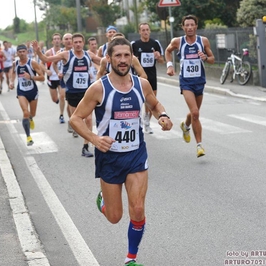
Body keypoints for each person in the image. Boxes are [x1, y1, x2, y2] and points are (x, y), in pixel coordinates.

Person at [69, 37, 173, 266]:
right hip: (109, 158)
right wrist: (94, 139)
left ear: (132, 58)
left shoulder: (141, 84)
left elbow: (155, 105)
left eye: (127, 55)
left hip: (136, 154)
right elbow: (75, 119)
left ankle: (130, 259)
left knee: (137, 208)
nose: (123, 60)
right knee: (115, 217)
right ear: (109, 58)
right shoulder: (98, 88)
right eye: (118, 56)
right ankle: (103, 202)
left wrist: (163, 116)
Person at [34, 33, 101, 157]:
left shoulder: (89, 55)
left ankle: (86, 146)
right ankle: (74, 126)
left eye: (80, 42)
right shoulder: (65, 55)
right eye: (75, 42)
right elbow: (47, 60)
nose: (78, 44)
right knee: (76, 120)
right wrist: (38, 53)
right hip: (72, 92)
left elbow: (103, 62)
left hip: (86, 92)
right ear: (72, 43)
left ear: (83, 42)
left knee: (89, 119)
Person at [165, 14, 215, 158]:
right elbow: (168, 51)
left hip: (199, 81)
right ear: (183, 27)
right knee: (195, 113)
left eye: (192, 25)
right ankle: (199, 146)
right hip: (186, 82)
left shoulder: (203, 41)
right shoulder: (178, 41)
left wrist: (205, 58)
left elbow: (212, 59)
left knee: (194, 113)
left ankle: (185, 126)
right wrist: (169, 66)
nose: (189, 27)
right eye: (186, 25)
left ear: (196, 26)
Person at [131, 23, 165, 134]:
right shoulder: (134, 44)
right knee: (137, 100)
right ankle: (137, 121)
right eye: (143, 30)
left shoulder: (155, 43)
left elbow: (161, 61)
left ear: (149, 31)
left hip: (151, 75)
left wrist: (158, 57)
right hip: (139, 76)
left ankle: (147, 122)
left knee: (152, 100)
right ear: (140, 32)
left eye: (147, 30)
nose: (145, 32)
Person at [9, 44, 45, 146]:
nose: (22, 53)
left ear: (27, 52)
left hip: (33, 91)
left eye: (23, 51)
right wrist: (11, 82)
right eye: (19, 52)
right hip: (21, 91)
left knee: (32, 114)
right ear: (17, 53)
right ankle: (28, 137)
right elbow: (13, 73)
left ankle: (30, 118)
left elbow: (42, 78)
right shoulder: (15, 64)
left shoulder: (32, 63)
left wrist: (31, 77)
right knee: (25, 112)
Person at [44, 33, 66, 124]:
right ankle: (58, 101)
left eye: (58, 39)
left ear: (61, 41)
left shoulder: (64, 52)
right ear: (52, 41)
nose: (57, 40)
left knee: (62, 96)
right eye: (55, 39)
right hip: (52, 78)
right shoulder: (48, 52)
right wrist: (46, 70)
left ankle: (61, 114)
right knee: (54, 99)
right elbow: (41, 64)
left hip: (61, 77)